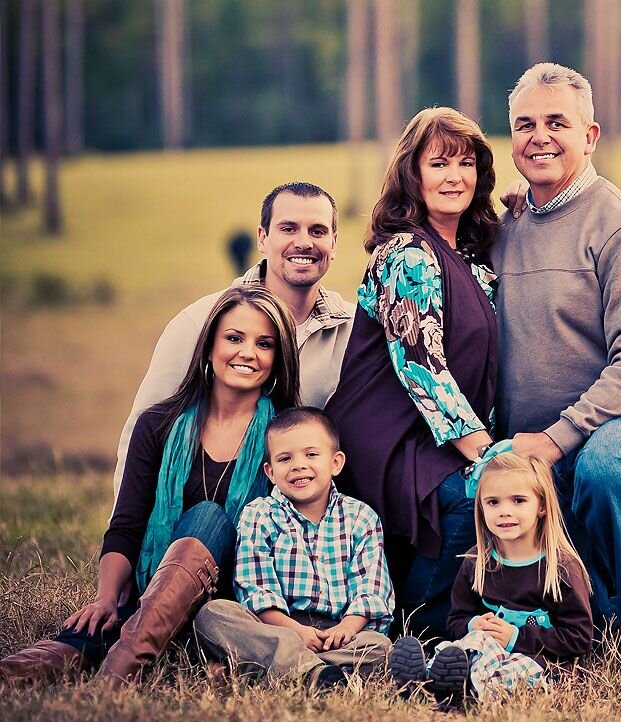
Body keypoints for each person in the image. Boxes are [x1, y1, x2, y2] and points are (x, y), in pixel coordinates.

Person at [0, 286, 300, 685]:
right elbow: (127, 525)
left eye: (264, 344)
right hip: (153, 590)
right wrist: (106, 598)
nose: (248, 353)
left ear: (277, 359)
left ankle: (116, 678)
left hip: (237, 604)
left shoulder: (288, 437)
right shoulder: (157, 424)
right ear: (209, 347)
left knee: (208, 518)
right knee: (83, 636)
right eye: (234, 338)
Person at [493, 61, 621, 647]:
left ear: (590, 135)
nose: (540, 136)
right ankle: (578, 625)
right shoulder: (507, 227)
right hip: (537, 434)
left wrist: (557, 438)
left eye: (558, 122)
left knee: (604, 465)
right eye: (525, 124)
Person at [326, 107, 499, 639]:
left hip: (434, 431)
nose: (454, 176)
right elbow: (422, 366)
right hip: (387, 427)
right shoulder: (408, 253)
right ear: (413, 173)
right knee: (472, 498)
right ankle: (421, 628)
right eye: (440, 163)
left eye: (466, 164)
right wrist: (485, 450)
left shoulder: (472, 257)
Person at [114, 181, 353, 496]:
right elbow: (145, 431)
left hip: (307, 519)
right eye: (289, 229)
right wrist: (123, 536)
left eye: (318, 231)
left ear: (334, 244)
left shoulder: (355, 331)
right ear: (262, 238)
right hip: (209, 505)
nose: (304, 242)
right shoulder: (201, 322)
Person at [194, 407, 393, 691]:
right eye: (285, 458)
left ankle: (290, 670)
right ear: (271, 472)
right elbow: (255, 589)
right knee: (213, 615)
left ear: (335, 462)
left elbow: (372, 589)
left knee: (379, 646)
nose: (298, 465)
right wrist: (295, 632)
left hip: (337, 634)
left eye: (311, 455)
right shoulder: (260, 514)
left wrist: (346, 628)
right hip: (278, 627)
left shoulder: (361, 517)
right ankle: (317, 673)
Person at [388, 453, 593, 708]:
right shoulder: (477, 562)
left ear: (541, 506)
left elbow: (579, 637)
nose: (505, 512)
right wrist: (473, 625)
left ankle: (459, 691)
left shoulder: (560, 568)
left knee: (511, 672)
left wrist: (515, 637)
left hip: (537, 662)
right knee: (466, 646)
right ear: (481, 508)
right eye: (493, 502)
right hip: (485, 651)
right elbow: (456, 620)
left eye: (518, 501)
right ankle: (425, 680)